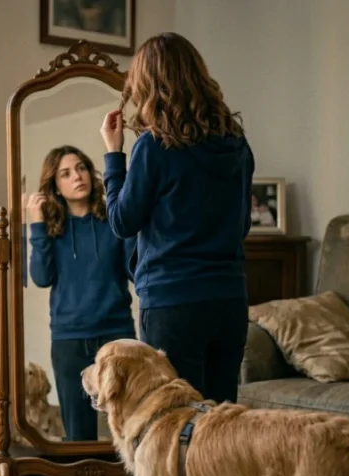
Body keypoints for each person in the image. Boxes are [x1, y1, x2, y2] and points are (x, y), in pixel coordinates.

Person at [99, 32, 254, 408]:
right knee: (220, 431)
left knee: (175, 425)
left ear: (150, 84)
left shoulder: (155, 146)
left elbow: (122, 221)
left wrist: (113, 156)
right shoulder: (237, 143)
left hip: (173, 303)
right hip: (229, 300)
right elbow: (243, 226)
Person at [23, 145, 136, 442]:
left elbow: (134, 270)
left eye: (82, 168)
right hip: (69, 340)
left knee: (129, 423)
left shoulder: (114, 219)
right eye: (66, 173)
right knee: (78, 432)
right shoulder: (51, 229)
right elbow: (41, 277)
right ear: (55, 186)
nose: (78, 176)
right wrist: (35, 225)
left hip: (117, 335)